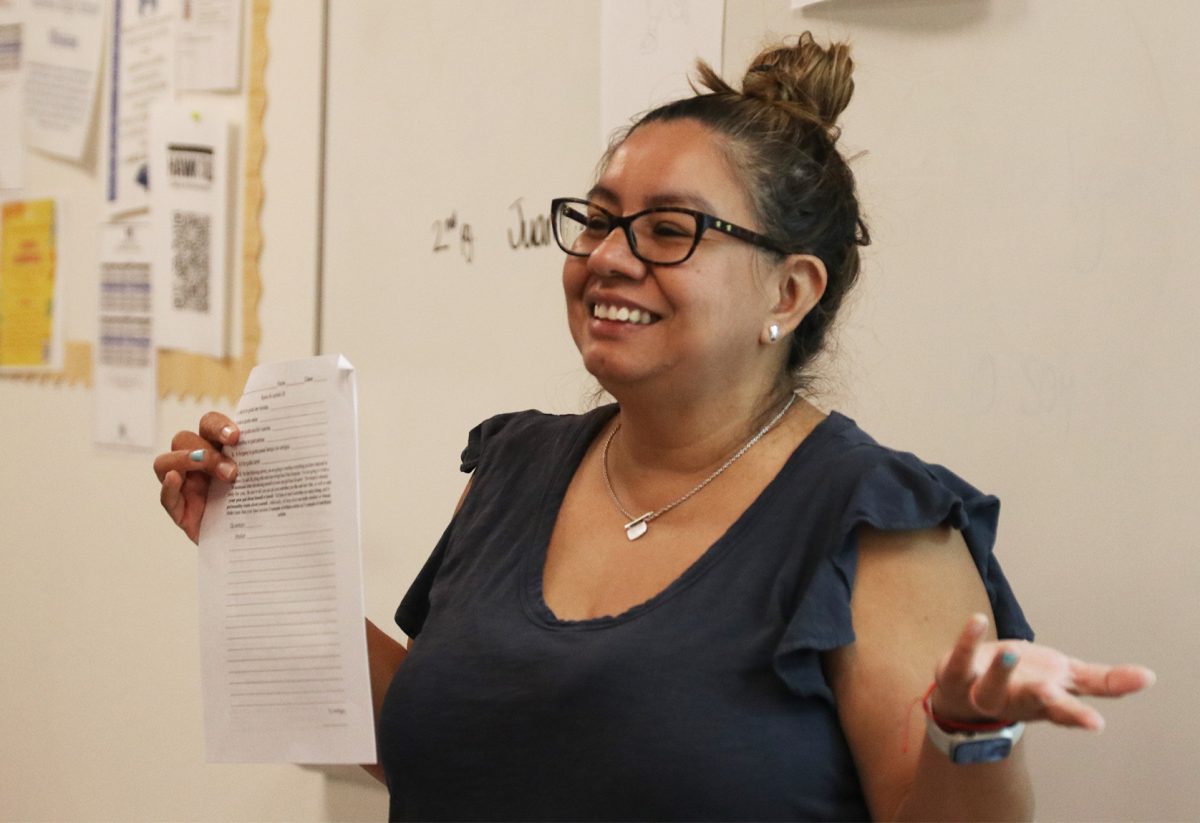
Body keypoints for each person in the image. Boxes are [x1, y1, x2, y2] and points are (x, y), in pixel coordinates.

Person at [154, 33, 1154, 822]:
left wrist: (965, 733)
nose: (609, 257)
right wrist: (258, 559)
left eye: (670, 230)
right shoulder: (514, 467)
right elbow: (449, 741)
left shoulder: (874, 521)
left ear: (791, 290)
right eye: (596, 219)